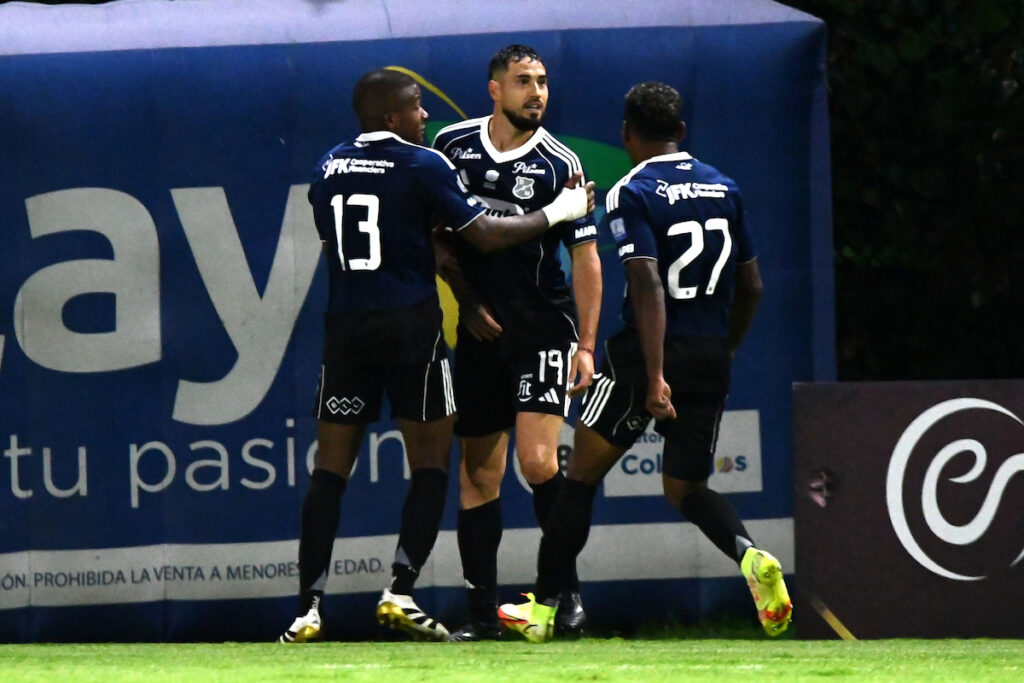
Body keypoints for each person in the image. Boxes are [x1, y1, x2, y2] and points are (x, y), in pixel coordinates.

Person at [278, 68, 594, 644]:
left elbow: (335, 235)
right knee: (434, 465)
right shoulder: (427, 161)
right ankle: (403, 591)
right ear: (391, 118)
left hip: (346, 327)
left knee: (329, 470)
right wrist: (561, 210)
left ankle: (307, 608)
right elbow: (484, 235)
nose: (426, 116)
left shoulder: (327, 165)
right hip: (410, 325)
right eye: (417, 107)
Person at [497, 81, 792, 642]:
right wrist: (723, 346)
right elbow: (752, 284)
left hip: (643, 359)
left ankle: (545, 607)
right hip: (708, 354)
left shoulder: (632, 190)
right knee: (688, 489)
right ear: (681, 131)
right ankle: (751, 556)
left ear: (627, 133)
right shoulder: (723, 186)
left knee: (580, 477)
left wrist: (656, 374)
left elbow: (646, 280)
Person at [431, 44, 602, 641]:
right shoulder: (451, 147)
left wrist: (586, 344)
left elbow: (586, 260)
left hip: (540, 326)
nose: (538, 92)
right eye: (524, 81)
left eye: (544, 81)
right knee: (478, 475)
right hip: (479, 331)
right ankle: (482, 614)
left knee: (536, 462)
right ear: (494, 89)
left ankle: (563, 595)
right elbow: (438, 238)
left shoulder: (560, 164)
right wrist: (466, 297)